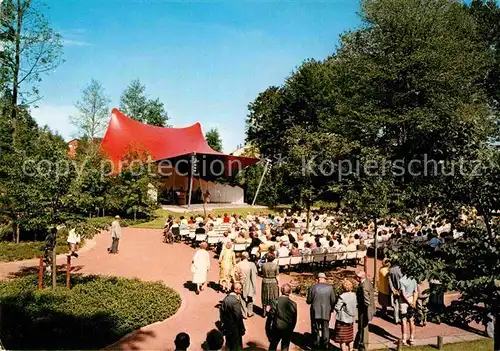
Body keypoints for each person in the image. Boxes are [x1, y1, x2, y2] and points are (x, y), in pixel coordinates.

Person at [306, 272, 337, 350]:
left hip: (315, 311)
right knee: (325, 328)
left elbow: (308, 301)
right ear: (324, 279)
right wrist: (331, 308)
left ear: (318, 279)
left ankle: (316, 345)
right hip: (326, 311)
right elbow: (333, 301)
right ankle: (325, 345)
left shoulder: (312, 288)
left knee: (315, 329)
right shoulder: (330, 288)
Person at [267, 283, 297, 351]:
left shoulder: (275, 301)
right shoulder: (293, 304)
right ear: (290, 292)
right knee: (285, 347)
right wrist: (291, 329)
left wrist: (268, 328)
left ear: (281, 291)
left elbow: (271, 315)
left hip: (277, 327)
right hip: (288, 328)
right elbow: (294, 319)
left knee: (273, 345)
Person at [220, 282, 246, 351]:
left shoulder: (225, 299)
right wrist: (242, 328)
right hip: (235, 328)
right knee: (236, 346)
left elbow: (221, 313)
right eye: (240, 289)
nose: (241, 290)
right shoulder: (235, 301)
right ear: (235, 290)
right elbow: (238, 317)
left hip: (227, 326)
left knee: (228, 344)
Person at [334, 279, 357, 351]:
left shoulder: (342, 296)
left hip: (343, 320)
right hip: (351, 319)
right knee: (350, 337)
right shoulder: (354, 295)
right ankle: (351, 349)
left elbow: (337, 307)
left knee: (342, 338)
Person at [355, 271, 375, 351]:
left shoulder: (364, 286)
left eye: (357, 277)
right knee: (362, 327)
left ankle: (364, 346)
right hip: (365, 309)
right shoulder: (367, 281)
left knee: (364, 327)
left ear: (360, 278)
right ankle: (360, 342)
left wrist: (365, 310)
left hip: (364, 310)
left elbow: (366, 301)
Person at [236, 251, 258, 318]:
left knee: (242, 298)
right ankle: (250, 312)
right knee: (250, 297)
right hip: (250, 282)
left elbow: (236, 274)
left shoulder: (238, 264)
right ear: (248, 257)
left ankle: (244, 313)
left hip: (241, 282)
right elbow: (256, 273)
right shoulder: (252, 264)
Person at [400, 275, 418, 345]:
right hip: (411, 298)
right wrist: (414, 301)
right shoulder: (413, 279)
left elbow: (403, 294)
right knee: (411, 320)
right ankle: (412, 338)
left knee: (404, 320)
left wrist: (408, 302)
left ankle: (404, 339)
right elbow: (416, 292)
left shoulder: (401, 280)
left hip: (404, 302)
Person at [261, 252, 280, 317]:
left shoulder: (263, 265)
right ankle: (273, 311)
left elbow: (262, 273)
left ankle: (264, 312)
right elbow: (277, 275)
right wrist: (278, 283)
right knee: (273, 296)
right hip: (273, 281)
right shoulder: (275, 265)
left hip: (265, 281)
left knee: (265, 296)